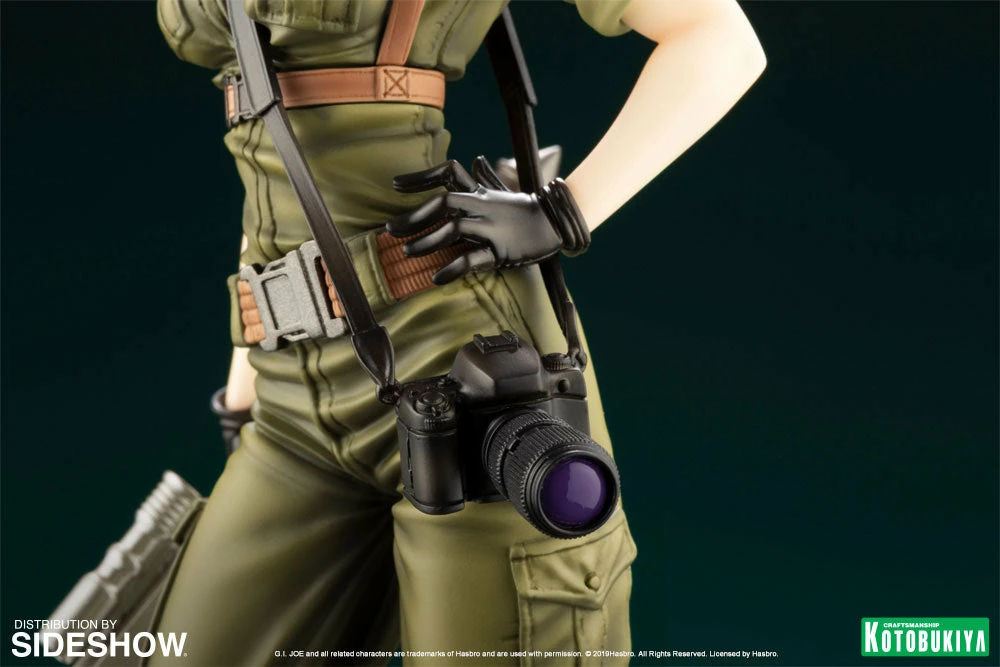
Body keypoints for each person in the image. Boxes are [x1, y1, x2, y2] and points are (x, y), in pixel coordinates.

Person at [151, 0, 765, 664]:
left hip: (460, 372)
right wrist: (248, 368)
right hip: (294, 390)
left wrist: (562, 213)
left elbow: (720, 38)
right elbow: (275, 157)